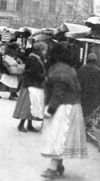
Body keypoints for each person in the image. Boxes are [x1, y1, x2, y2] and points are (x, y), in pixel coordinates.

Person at [41, 42, 88, 179]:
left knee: (57, 137)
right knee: (62, 138)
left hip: (63, 108)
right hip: (72, 106)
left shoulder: (58, 70)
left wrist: (50, 110)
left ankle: (52, 168)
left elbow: (58, 93)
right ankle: (59, 164)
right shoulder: (70, 69)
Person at [13, 42, 48, 132]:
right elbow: (33, 72)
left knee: (33, 104)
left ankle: (29, 125)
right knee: (28, 105)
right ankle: (21, 125)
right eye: (44, 49)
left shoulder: (37, 57)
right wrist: (43, 77)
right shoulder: (34, 58)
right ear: (40, 49)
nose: (45, 51)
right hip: (30, 84)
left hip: (35, 84)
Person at [77, 53, 100, 118]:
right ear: (96, 60)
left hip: (82, 96)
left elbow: (77, 83)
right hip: (94, 97)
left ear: (87, 59)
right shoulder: (98, 71)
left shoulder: (81, 69)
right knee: (91, 116)